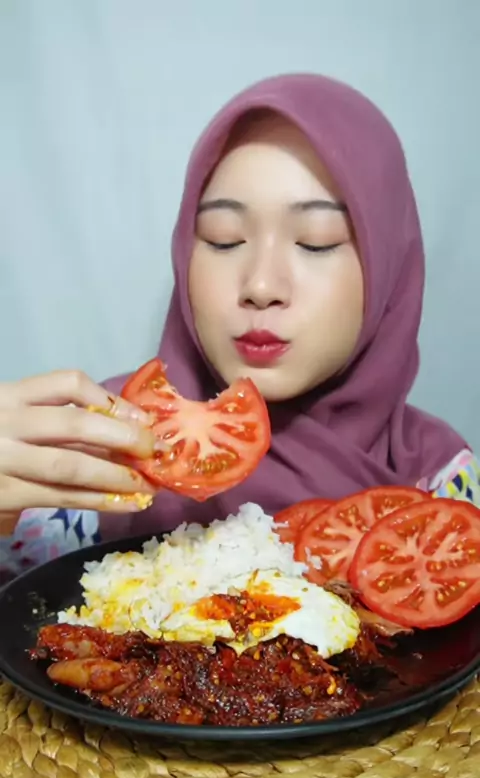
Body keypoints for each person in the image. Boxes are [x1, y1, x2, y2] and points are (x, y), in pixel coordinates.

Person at [1, 72, 479, 580]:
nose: (261, 284)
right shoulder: (91, 449)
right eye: (223, 238)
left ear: (389, 268)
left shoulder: (442, 485)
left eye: (316, 241)